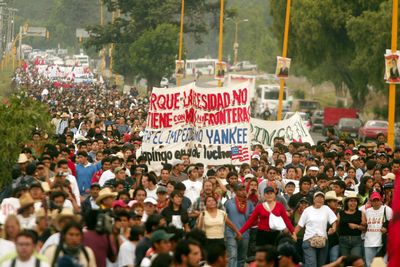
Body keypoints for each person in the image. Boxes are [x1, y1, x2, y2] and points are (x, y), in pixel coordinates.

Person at [292, 192, 337, 267]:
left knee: (321, 265)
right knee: (311, 264)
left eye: (322, 197)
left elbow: (334, 221)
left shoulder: (326, 208)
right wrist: (294, 234)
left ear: (324, 200)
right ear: (313, 199)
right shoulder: (307, 210)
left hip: (323, 241)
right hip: (309, 240)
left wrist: (333, 229)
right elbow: (300, 225)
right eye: (317, 197)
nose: (319, 199)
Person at [224, 183, 254, 267]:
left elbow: (253, 218)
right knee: (233, 256)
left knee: (242, 257)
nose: (243, 192)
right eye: (240, 190)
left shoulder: (250, 203)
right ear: (235, 191)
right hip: (231, 233)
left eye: (244, 190)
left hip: (245, 233)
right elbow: (224, 217)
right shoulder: (228, 203)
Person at [364, 191, 392, 267]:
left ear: (381, 200)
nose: (376, 202)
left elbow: (394, 223)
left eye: (377, 200)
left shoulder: (387, 209)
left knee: (382, 264)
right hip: (369, 242)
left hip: (382, 242)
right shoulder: (367, 211)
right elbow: (364, 225)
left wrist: (387, 229)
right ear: (371, 201)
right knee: (369, 264)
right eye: (374, 200)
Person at [337, 191, 365, 258]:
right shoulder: (340, 213)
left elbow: (364, 228)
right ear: (347, 203)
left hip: (356, 240)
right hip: (343, 240)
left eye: (355, 201)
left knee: (356, 260)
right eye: (351, 201)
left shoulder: (361, 213)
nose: (353, 203)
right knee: (345, 261)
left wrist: (357, 226)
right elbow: (337, 227)